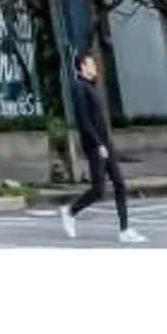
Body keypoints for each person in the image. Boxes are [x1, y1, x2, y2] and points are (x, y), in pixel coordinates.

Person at [54, 46, 139, 243]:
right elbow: (84, 121)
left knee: (119, 183)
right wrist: (98, 143)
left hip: (105, 144)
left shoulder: (91, 86)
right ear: (82, 67)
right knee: (98, 189)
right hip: (95, 145)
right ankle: (70, 211)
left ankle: (125, 230)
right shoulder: (79, 88)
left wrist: (106, 143)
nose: (95, 67)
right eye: (91, 64)